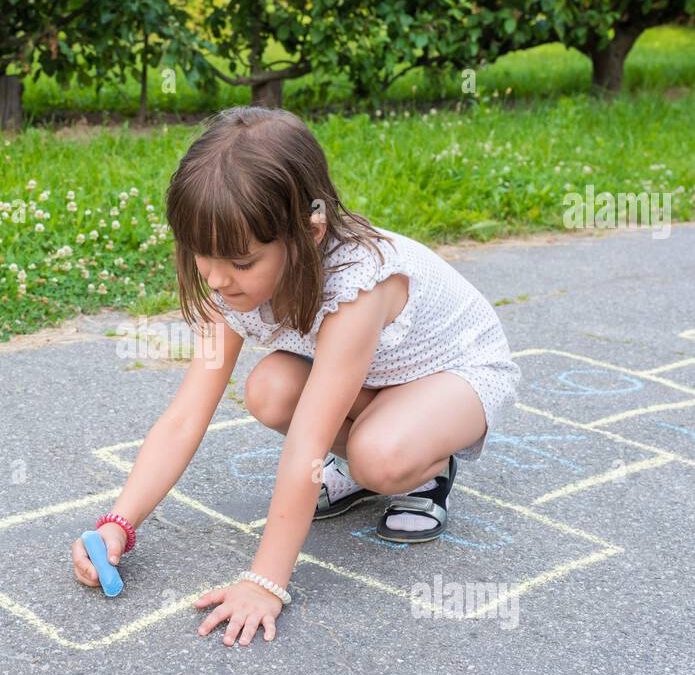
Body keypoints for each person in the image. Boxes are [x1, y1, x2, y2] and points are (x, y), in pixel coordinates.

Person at [70, 106, 521, 646]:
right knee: (268, 389)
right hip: (379, 377)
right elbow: (187, 413)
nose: (215, 278)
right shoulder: (227, 280)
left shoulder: (358, 283)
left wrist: (265, 581)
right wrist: (119, 523)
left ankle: (426, 471)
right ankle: (363, 468)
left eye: (240, 262)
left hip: (455, 371)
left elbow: (309, 440)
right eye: (201, 255)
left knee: (380, 455)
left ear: (309, 232)